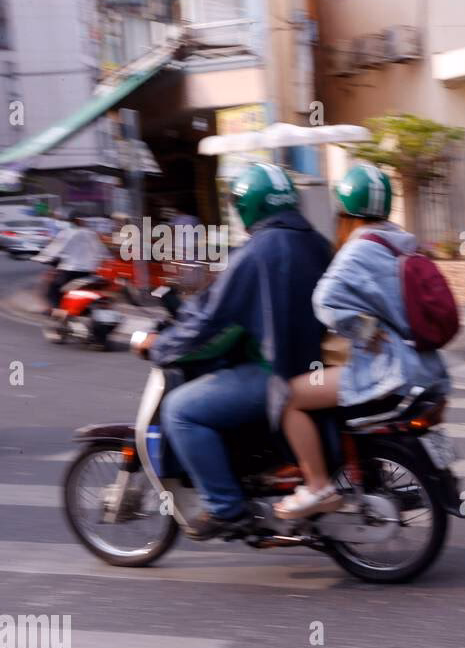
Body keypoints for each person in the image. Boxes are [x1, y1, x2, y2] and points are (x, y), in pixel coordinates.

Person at [140, 163, 332, 539]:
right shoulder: (317, 241)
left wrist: (162, 345)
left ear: (250, 205)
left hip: (274, 371)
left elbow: (211, 317)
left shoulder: (258, 250)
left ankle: (225, 508)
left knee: (180, 410)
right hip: (313, 365)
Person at [273, 163, 450, 519]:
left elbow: (325, 302)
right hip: (428, 369)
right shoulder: (401, 242)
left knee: (288, 396)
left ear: (346, 213)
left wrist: (364, 331)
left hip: (389, 370)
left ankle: (318, 485)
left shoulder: (357, 250)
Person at [44, 216, 107, 309]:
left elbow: (53, 251)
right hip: (89, 271)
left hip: (70, 271)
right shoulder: (92, 234)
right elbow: (103, 252)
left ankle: (56, 309)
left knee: (54, 287)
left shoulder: (67, 233)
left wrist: (45, 258)